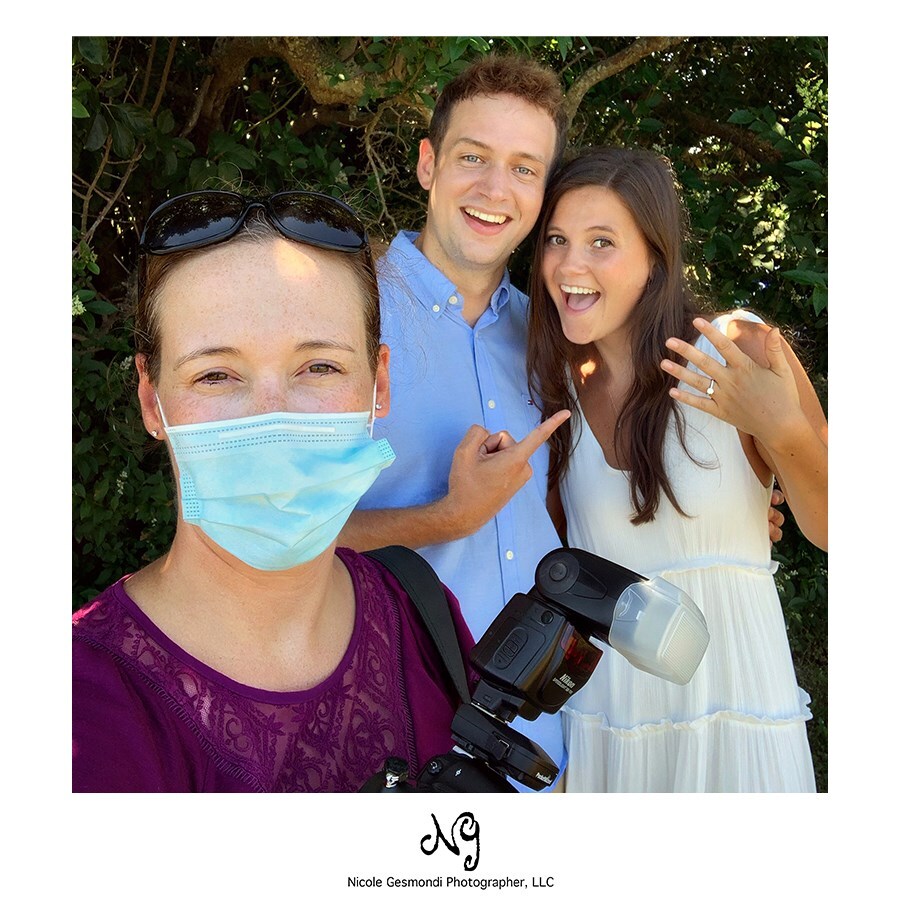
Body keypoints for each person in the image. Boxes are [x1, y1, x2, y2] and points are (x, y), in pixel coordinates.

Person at [72, 189, 476, 792]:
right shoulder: (80, 702)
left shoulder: (422, 609)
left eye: (318, 367)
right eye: (215, 374)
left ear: (380, 384)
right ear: (150, 399)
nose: (272, 417)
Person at [526, 146, 827, 792]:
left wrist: (783, 430)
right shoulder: (557, 391)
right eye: (557, 238)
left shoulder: (736, 347)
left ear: (655, 259)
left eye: (601, 242)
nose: (569, 265)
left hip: (737, 717)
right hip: (611, 730)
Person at [338, 55, 572, 786]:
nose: (495, 189)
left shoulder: (553, 339)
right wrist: (444, 517)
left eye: (524, 168)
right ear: (428, 164)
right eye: (474, 157)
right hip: (389, 735)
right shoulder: (342, 315)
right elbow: (264, 537)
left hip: (547, 744)